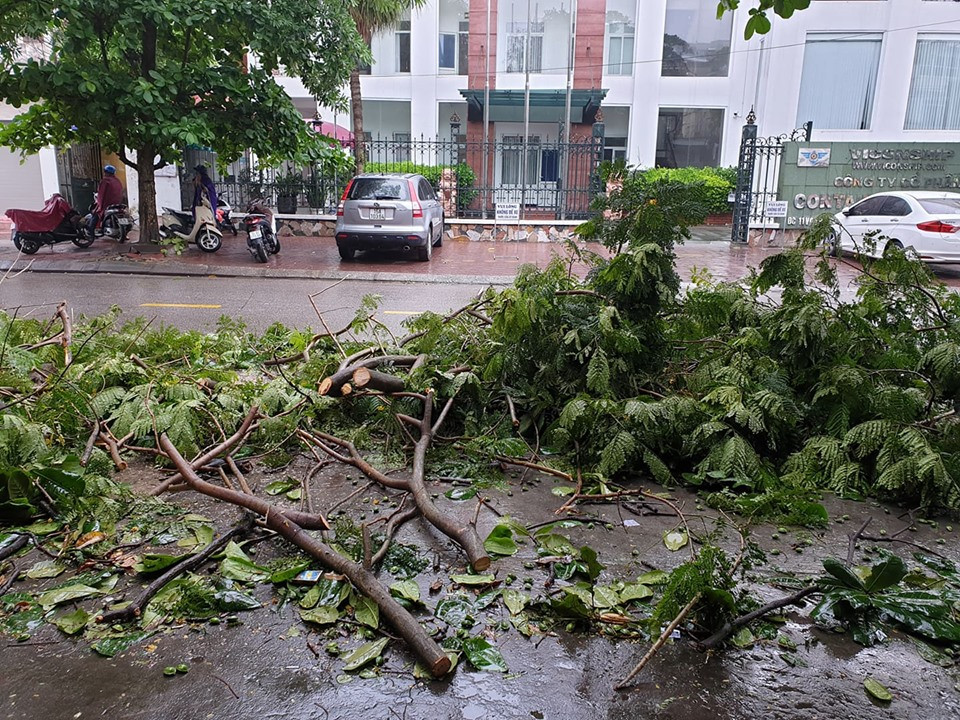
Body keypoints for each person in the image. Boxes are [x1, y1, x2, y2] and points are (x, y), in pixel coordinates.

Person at [88, 164, 125, 234]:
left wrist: (99, 206)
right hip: (117, 203)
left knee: (95, 214)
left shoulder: (105, 181)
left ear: (106, 172)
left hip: (107, 203)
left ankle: (91, 233)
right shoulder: (117, 181)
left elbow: (101, 195)